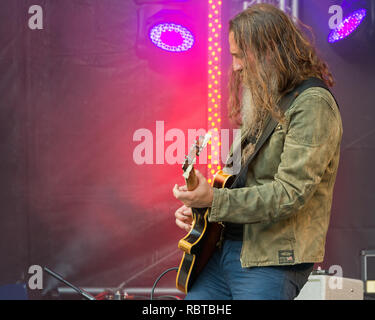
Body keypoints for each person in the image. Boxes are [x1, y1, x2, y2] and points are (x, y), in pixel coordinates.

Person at [173, 4, 343, 300]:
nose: (235, 66)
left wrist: (214, 199)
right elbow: (237, 185)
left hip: (271, 262)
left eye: (240, 56)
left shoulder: (313, 104)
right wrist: (204, 210)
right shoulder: (266, 102)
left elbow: (289, 193)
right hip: (224, 252)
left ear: (270, 51)